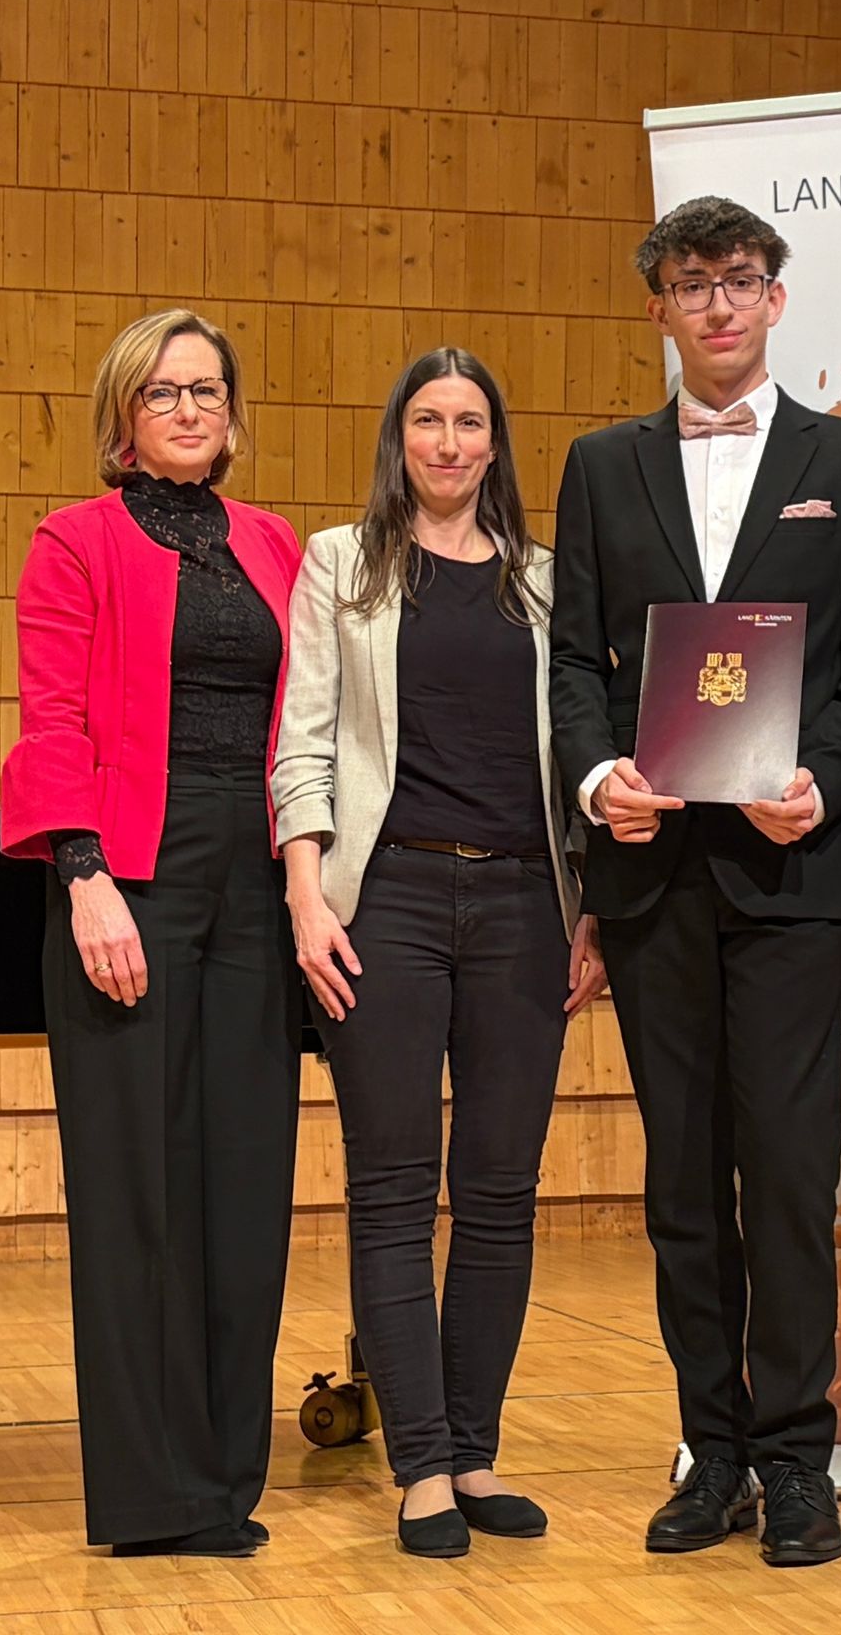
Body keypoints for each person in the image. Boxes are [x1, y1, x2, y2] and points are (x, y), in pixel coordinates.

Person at [549, 196, 841, 1567]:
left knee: (786, 1170)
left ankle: (798, 1460)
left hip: (786, 869)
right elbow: (576, 661)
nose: (715, 305)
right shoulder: (600, 465)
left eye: (738, 281)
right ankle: (711, 1451)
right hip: (651, 880)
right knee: (686, 1187)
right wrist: (595, 786)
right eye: (690, 285)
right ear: (657, 307)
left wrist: (821, 774)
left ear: (773, 297)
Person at [272, 346, 605, 1560]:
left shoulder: (545, 582)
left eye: (471, 422)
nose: (452, 443)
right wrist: (309, 899)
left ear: (495, 443)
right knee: (397, 1192)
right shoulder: (340, 568)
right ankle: (417, 1466)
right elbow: (302, 744)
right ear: (398, 437)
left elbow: (581, 758)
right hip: (388, 903)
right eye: (429, 420)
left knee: (505, 1197)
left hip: (528, 907)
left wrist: (593, 911)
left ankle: (475, 1451)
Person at [0, 309, 303, 1558]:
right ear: (124, 416)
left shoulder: (280, 544)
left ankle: (228, 1472)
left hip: (258, 887)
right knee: (138, 1201)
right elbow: (51, 715)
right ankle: (150, 1495)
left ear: (233, 414)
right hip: (131, 878)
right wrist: (83, 877)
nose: (190, 409)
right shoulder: (74, 540)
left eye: (209, 390)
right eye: (164, 392)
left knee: (248, 1190)